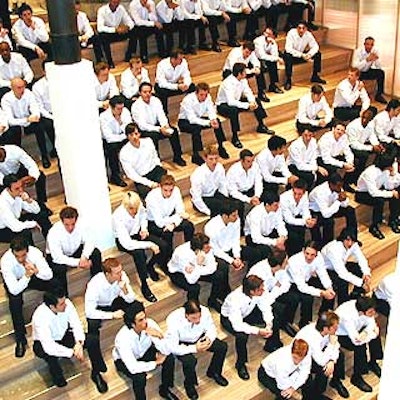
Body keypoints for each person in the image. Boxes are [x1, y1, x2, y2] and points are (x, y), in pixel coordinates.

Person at [32, 287, 108, 392]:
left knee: (92, 340)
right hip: (44, 343)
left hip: (64, 335)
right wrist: (73, 352)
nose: (66, 305)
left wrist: (79, 343)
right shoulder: (40, 317)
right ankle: (56, 373)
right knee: (50, 355)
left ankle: (96, 372)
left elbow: (76, 324)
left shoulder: (66, 303)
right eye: (61, 304)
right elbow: (49, 346)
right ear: (52, 307)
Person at [85, 257, 136, 391]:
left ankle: (136, 339)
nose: (121, 274)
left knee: (137, 307)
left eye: (121, 271)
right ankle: (96, 371)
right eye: (117, 273)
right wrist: (111, 316)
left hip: (114, 302)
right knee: (92, 331)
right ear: (107, 274)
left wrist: (124, 289)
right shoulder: (94, 285)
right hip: (99, 307)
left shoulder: (122, 276)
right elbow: (89, 312)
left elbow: (131, 299)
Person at [1, 236, 55, 358]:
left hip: (32, 275)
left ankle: (56, 317)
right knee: (14, 301)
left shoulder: (35, 253)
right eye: (17, 256)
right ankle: (20, 339)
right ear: (12, 252)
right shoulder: (5, 261)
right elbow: (14, 290)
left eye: (23, 255)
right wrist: (26, 276)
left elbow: (48, 275)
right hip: (17, 281)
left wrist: (35, 271)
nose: (21, 259)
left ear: (28, 250)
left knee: (54, 285)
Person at [221, 275, 283, 380]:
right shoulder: (235, 300)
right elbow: (237, 325)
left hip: (247, 313)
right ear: (252, 292)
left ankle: (271, 344)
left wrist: (268, 324)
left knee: (274, 316)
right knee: (242, 336)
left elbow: (265, 307)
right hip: (229, 319)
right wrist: (258, 331)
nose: (263, 290)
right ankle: (240, 364)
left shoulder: (259, 292)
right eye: (260, 289)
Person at [113, 301, 177, 400]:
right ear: (132, 324)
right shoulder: (122, 339)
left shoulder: (150, 323)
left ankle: (165, 389)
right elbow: (133, 367)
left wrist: (160, 336)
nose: (145, 322)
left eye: (145, 317)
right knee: (139, 377)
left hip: (145, 352)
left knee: (169, 357)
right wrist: (155, 363)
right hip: (125, 361)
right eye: (140, 320)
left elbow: (166, 349)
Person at [113, 191, 169, 302]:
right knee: (139, 253)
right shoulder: (117, 217)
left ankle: (150, 265)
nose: (134, 212)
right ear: (125, 206)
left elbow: (143, 215)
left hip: (138, 233)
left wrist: (144, 228)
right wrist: (149, 244)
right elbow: (128, 243)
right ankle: (144, 285)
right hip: (125, 240)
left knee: (164, 246)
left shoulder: (138, 206)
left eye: (136, 208)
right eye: (131, 209)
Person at [166, 299, 229, 398]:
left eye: (199, 316)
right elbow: (173, 347)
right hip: (182, 342)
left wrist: (209, 338)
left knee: (222, 347)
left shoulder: (205, 312)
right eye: (194, 318)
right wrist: (195, 348)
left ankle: (214, 372)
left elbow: (211, 327)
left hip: (200, 337)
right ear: (186, 315)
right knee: (190, 361)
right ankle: (189, 385)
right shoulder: (173, 320)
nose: (198, 320)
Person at [46, 206, 103, 297]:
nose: (70, 227)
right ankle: (64, 297)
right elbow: (58, 257)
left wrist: (84, 257)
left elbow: (90, 241)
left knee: (96, 253)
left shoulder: (81, 225)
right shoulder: (53, 232)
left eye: (73, 224)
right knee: (59, 269)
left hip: (74, 250)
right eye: (67, 225)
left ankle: (97, 286)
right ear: (62, 221)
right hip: (56, 257)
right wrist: (79, 263)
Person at [216, 62, 274, 149]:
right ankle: (235, 137)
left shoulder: (243, 80)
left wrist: (251, 102)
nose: (246, 73)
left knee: (256, 100)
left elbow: (248, 91)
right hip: (223, 105)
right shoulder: (227, 83)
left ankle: (261, 125)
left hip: (236, 101)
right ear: (240, 73)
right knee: (233, 110)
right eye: (244, 71)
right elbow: (231, 102)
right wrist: (247, 106)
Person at [167, 232, 230, 311]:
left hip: (196, 270)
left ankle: (212, 300)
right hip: (178, 273)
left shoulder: (206, 247)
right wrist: (198, 265)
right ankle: (193, 308)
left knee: (219, 275)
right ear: (198, 250)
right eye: (206, 248)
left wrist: (198, 269)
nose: (209, 248)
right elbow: (191, 280)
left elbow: (213, 267)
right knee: (194, 288)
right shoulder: (181, 254)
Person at [296, 311, 350, 399]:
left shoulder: (328, 330)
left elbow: (336, 344)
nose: (337, 328)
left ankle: (335, 381)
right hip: (303, 359)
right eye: (335, 327)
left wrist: (332, 360)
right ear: (326, 328)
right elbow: (321, 361)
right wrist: (331, 345)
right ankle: (318, 392)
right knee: (324, 367)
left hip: (318, 354)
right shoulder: (312, 337)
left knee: (340, 355)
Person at [131, 81, 186, 166]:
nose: (147, 94)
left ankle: (177, 157)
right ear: (140, 93)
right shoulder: (136, 106)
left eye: (149, 92)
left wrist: (165, 125)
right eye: (145, 92)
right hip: (144, 129)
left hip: (157, 126)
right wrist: (159, 129)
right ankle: (156, 161)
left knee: (173, 131)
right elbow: (142, 125)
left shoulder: (156, 100)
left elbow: (161, 115)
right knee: (154, 136)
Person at [336, 297, 383, 393]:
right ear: (361, 312)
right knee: (360, 347)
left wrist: (367, 331)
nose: (374, 314)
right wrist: (371, 334)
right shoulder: (347, 316)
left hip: (358, 329)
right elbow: (356, 341)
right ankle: (357, 377)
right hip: (342, 335)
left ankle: (373, 362)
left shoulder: (365, 307)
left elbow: (371, 321)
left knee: (375, 334)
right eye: (370, 312)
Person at [1, 78, 51, 168]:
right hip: (16, 124)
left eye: (23, 86)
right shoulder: (6, 99)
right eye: (19, 87)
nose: (22, 89)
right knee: (12, 132)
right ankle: (19, 161)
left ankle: (44, 155)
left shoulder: (28, 93)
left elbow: (35, 109)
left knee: (39, 126)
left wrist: (34, 116)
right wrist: (26, 120)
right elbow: (10, 120)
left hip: (29, 121)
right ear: (12, 88)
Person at [286, 241, 335, 329]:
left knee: (332, 286)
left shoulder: (319, 258)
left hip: (306, 279)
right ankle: (302, 323)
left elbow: (323, 274)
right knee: (308, 298)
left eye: (312, 255)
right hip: (291, 284)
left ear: (317, 254)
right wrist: (322, 293)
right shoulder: (294, 261)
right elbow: (301, 286)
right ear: (303, 250)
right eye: (307, 253)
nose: (309, 257)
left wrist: (329, 288)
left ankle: (323, 315)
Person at [178, 82, 229, 165]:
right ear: (196, 93)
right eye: (201, 95)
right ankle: (196, 155)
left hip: (198, 118)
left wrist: (213, 119)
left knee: (217, 121)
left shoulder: (207, 97)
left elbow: (210, 109)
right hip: (185, 121)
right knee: (196, 129)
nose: (204, 97)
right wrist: (209, 122)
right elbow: (192, 119)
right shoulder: (188, 100)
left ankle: (221, 146)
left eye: (205, 94)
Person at [146, 174, 194, 259]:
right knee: (167, 233)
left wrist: (174, 224)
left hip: (170, 220)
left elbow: (181, 211)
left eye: (171, 190)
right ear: (160, 187)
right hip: (153, 223)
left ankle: (190, 251)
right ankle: (169, 258)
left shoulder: (176, 191)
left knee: (189, 226)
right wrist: (176, 218)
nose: (168, 193)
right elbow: (160, 222)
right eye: (165, 190)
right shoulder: (151, 197)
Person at [321, 228, 371, 306]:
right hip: (326, 270)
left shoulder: (354, 244)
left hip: (340, 266)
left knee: (357, 268)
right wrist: (361, 283)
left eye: (352, 240)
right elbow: (342, 273)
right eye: (347, 240)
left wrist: (366, 273)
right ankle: (343, 304)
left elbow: (361, 258)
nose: (350, 243)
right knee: (342, 281)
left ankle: (356, 294)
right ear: (342, 238)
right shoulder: (334, 249)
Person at [355, 154, 400, 240]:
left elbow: (388, 186)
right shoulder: (370, 173)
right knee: (379, 201)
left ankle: (393, 220)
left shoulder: (386, 171)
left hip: (376, 189)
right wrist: (390, 193)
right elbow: (373, 193)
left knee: (395, 194)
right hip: (362, 193)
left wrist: (393, 176)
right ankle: (374, 226)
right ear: (388, 166)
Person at [119, 122, 167, 199]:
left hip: (154, 170)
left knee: (167, 185)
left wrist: (160, 166)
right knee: (148, 196)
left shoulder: (148, 141)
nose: (134, 137)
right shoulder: (124, 152)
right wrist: (150, 183)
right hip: (141, 177)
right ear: (127, 136)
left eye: (136, 133)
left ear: (139, 133)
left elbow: (155, 157)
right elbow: (131, 174)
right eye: (131, 135)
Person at [0, 174, 51, 244]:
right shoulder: (2, 204)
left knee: (42, 214)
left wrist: (28, 200)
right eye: (17, 188)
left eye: (21, 186)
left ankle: (50, 244)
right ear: (8, 189)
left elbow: (36, 210)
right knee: (25, 233)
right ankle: (31, 253)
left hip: (15, 220)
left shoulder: (18, 194)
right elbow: (15, 227)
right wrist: (32, 224)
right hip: (3, 230)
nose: (21, 190)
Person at [309, 173, 357, 246]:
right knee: (329, 221)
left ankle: (351, 237)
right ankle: (327, 245)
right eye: (338, 186)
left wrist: (343, 199)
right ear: (331, 184)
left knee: (350, 210)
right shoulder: (320, 192)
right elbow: (325, 214)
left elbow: (345, 205)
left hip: (330, 208)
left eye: (341, 185)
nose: (340, 188)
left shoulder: (338, 187)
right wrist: (338, 201)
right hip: (316, 212)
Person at [244, 191, 287, 265]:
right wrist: (275, 242)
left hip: (268, 233)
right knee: (264, 251)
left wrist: (282, 236)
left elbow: (280, 223)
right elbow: (256, 238)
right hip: (253, 237)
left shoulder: (277, 209)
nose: (278, 207)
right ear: (267, 205)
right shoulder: (255, 214)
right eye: (275, 205)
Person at [204, 202, 250, 273]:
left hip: (230, 248)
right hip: (217, 253)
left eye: (237, 214)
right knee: (223, 268)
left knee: (253, 253)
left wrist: (237, 256)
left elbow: (235, 239)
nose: (237, 217)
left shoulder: (236, 220)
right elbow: (215, 249)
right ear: (225, 216)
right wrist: (231, 260)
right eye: (234, 215)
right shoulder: (210, 227)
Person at [283, 20, 325, 91]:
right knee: (287, 55)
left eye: (303, 28)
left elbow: (315, 46)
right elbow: (288, 49)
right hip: (293, 55)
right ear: (296, 28)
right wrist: (302, 55)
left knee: (318, 54)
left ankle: (315, 76)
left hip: (303, 54)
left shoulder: (308, 34)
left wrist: (309, 54)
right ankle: (288, 79)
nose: (301, 30)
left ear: (306, 29)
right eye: (299, 28)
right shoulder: (291, 33)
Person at [189, 144, 230, 216]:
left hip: (214, 194)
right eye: (211, 159)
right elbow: (196, 198)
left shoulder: (219, 167)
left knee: (232, 205)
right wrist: (208, 212)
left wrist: (225, 199)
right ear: (205, 159)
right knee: (220, 208)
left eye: (216, 158)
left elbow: (223, 185)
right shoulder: (198, 175)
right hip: (203, 198)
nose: (214, 162)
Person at [100, 95, 131, 187]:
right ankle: (115, 176)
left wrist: (120, 123)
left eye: (122, 108)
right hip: (109, 142)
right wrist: (124, 134)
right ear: (112, 108)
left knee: (134, 140)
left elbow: (129, 129)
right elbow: (109, 138)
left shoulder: (125, 112)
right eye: (118, 109)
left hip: (121, 137)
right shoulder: (103, 117)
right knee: (112, 148)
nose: (121, 111)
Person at [280, 179, 316, 255]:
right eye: (295, 193)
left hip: (297, 218)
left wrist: (308, 219)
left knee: (302, 233)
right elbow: (288, 219)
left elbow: (305, 210)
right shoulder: (283, 198)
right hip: (284, 221)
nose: (296, 196)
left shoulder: (305, 195)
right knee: (294, 237)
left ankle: (301, 252)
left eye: (299, 194)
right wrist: (305, 222)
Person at [96, 0, 136, 68]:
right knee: (102, 36)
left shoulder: (121, 8)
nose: (116, 4)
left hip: (119, 33)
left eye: (117, 2)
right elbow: (100, 28)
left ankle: (129, 56)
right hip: (109, 33)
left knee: (135, 31)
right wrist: (115, 30)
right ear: (110, 1)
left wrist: (127, 27)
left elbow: (130, 22)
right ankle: (109, 61)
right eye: (114, 2)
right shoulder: (102, 10)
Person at [318, 120, 356, 192]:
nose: (340, 132)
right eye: (338, 129)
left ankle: (345, 183)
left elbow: (347, 151)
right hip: (322, 159)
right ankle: (334, 188)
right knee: (333, 170)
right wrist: (343, 165)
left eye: (342, 130)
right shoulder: (325, 139)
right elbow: (326, 159)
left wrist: (350, 162)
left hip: (335, 156)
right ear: (333, 129)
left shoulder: (344, 137)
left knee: (355, 162)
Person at [346, 108, 383, 181]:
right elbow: (354, 144)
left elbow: (372, 135)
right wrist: (371, 148)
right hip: (350, 146)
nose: (364, 120)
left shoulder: (370, 124)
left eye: (368, 119)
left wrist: (377, 145)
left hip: (362, 144)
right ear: (361, 115)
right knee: (364, 156)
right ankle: (353, 178)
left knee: (380, 151)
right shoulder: (352, 126)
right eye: (364, 117)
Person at [226, 148, 263, 222]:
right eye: (248, 161)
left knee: (266, 197)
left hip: (250, 190)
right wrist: (248, 200)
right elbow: (233, 192)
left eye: (252, 161)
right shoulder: (233, 171)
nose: (251, 164)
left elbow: (258, 182)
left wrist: (257, 196)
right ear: (241, 161)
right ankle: (241, 227)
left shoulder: (255, 166)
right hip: (237, 194)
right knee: (238, 206)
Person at [287, 125, 328, 190]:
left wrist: (314, 168)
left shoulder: (313, 142)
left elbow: (313, 158)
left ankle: (314, 191)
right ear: (301, 134)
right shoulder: (294, 146)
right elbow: (300, 166)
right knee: (309, 177)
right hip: (294, 166)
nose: (308, 138)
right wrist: (316, 168)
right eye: (305, 135)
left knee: (324, 173)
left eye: (310, 135)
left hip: (308, 164)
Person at [154, 50, 195, 115]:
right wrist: (176, 86)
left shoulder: (183, 62)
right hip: (164, 86)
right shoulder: (162, 65)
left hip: (176, 84)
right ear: (173, 59)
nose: (182, 61)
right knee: (162, 92)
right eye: (180, 59)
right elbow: (162, 83)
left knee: (192, 87)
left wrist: (186, 84)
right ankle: (164, 114)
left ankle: (190, 108)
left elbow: (187, 75)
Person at [352, 36, 387, 104]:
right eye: (367, 44)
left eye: (371, 45)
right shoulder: (358, 51)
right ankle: (354, 97)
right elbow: (355, 66)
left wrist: (376, 59)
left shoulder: (374, 51)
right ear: (364, 44)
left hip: (367, 70)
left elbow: (378, 66)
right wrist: (366, 60)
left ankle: (379, 95)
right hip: (359, 72)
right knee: (357, 76)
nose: (369, 46)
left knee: (381, 73)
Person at [32, 74, 57, 159]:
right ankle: (53, 149)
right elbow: (40, 107)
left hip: (62, 111)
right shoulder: (37, 86)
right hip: (47, 114)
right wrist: (52, 117)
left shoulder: (61, 80)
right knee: (47, 124)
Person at [253, 26, 283, 94]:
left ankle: (273, 85)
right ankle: (262, 90)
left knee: (273, 62)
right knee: (260, 66)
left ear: (273, 36)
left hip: (265, 59)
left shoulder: (273, 42)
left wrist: (275, 58)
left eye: (269, 34)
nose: (266, 35)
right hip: (256, 59)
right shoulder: (257, 41)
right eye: (265, 33)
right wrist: (276, 58)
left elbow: (275, 55)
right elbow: (261, 55)